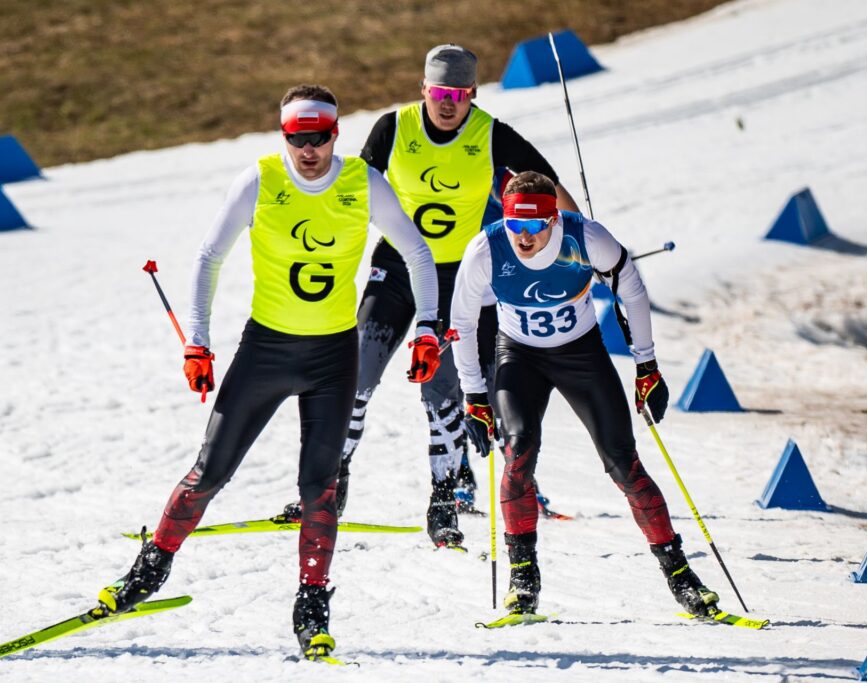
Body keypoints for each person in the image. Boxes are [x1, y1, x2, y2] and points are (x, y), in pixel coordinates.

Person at [97, 84, 440, 661]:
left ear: (336, 135)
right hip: (267, 352)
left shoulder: (362, 183)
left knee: (319, 488)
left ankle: (312, 606)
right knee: (210, 471)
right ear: (283, 136)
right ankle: (149, 570)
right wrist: (198, 343)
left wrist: (428, 327)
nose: (308, 150)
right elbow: (209, 256)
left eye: (319, 138)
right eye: (296, 139)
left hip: (334, 357)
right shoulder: (259, 181)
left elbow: (419, 253)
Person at [327, 44, 580, 549]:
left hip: (456, 282)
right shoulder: (393, 128)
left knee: (442, 396)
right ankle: (331, 483)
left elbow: (548, 185)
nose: (448, 104)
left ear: (472, 95)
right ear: (424, 89)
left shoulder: (490, 134)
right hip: (396, 271)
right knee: (357, 374)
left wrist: (578, 244)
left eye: (459, 95)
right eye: (440, 93)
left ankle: (443, 503)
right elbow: (352, 193)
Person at [451, 170, 720, 618]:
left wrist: (647, 365)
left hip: (581, 354)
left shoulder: (586, 237)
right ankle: (523, 580)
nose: (523, 237)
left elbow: (630, 289)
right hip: (519, 355)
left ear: (554, 220)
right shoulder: (486, 248)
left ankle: (680, 576)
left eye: (535, 227)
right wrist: (473, 396)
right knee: (519, 453)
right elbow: (460, 322)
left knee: (623, 463)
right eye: (516, 225)